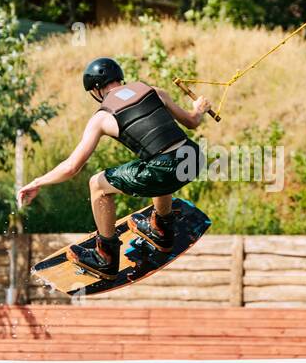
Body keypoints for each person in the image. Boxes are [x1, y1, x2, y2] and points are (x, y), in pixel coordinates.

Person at [17, 58, 210, 276]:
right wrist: (198, 108)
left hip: (163, 170)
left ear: (96, 90)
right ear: (120, 78)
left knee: (97, 184)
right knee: (156, 161)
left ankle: (105, 257)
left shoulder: (102, 116)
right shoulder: (153, 90)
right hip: (193, 159)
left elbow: (72, 167)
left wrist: (37, 182)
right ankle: (161, 225)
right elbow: (192, 121)